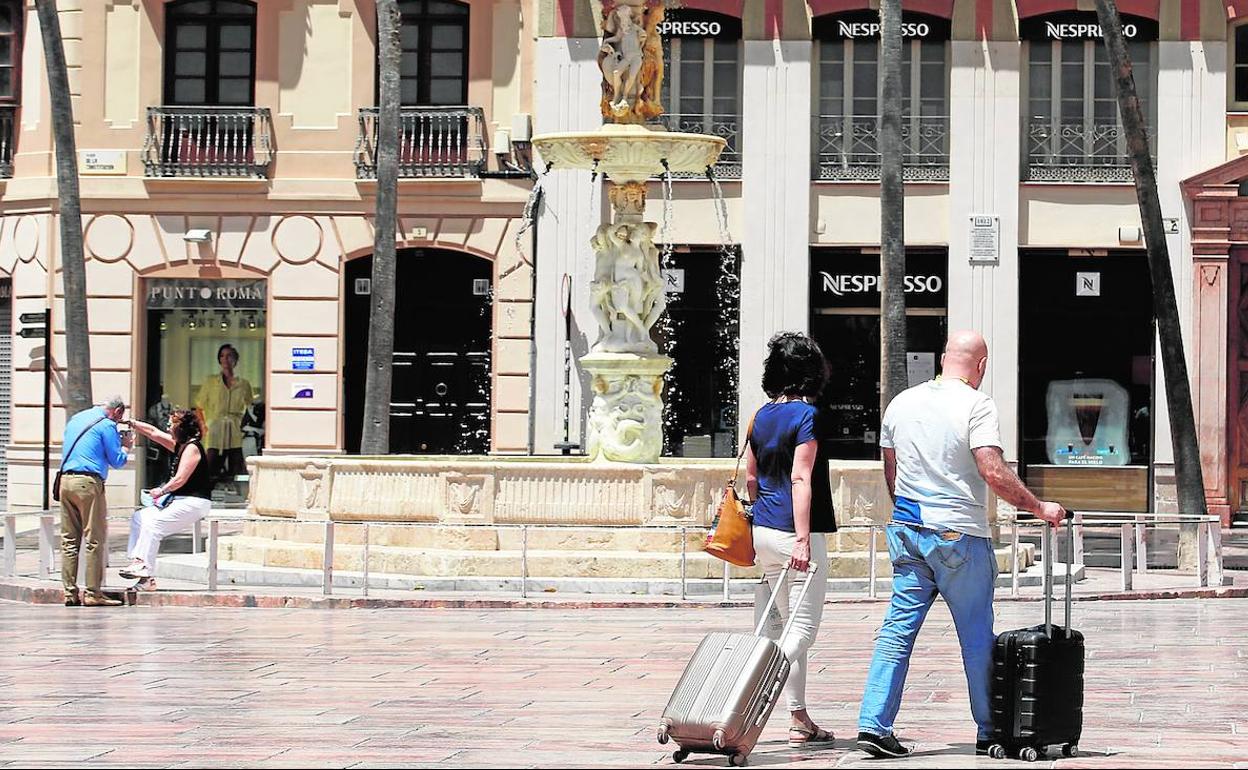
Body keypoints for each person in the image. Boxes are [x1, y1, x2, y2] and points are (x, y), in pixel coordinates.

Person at [856, 330, 1067, 759]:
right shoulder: (977, 404)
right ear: (982, 366)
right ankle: (989, 730)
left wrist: (911, 515)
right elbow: (992, 470)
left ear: (942, 358)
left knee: (897, 631)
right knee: (975, 636)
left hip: (908, 531)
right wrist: (1038, 506)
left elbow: (891, 471)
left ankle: (873, 723)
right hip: (958, 535)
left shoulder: (901, 402)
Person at [744, 332, 837, 749]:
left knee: (782, 626)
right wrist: (801, 539)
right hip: (793, 534)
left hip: (762, 532)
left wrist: (761, 519)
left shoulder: (760, 415)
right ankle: (748, 689)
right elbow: (801, 477)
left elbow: (751, 478)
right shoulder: (807, 415)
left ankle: (799, 718)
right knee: (802, 630)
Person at [120, 409, 213, 591]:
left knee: (153, 526)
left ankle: (143, 566)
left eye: (171, 425)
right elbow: (153, 433)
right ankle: (142, 569)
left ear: (181, 428)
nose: (168, 428)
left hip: (195, 502)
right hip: (179, 500)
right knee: (140, 518)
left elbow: (180, 479)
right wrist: (130, 422)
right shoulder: (180, 445)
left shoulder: (193, 448)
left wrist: (160, 491)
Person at [58, 396, 132, 607]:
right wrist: (126, 446)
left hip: (64, 481)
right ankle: (92, 593)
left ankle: (69, 593)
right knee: (94, 538)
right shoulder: (107, 424)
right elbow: (117, 461)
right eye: (120, 417)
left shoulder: (77, 418)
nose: (119, 421)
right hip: (88, 484)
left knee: (69, 540)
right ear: (117, 411)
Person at [195, 343, 253, 489]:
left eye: (229, 356)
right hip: (215, 429)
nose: (225, 359)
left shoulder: (244, 384)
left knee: (237, 465)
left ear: (235, 359)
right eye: (222, 356)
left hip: (235, 430)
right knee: (211, 464)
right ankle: (204, 493)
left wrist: (244, 426)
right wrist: (203, 428)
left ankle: (240, 496)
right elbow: (199, 406)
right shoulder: (211, 381)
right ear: (219, 360)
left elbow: (250, 408)